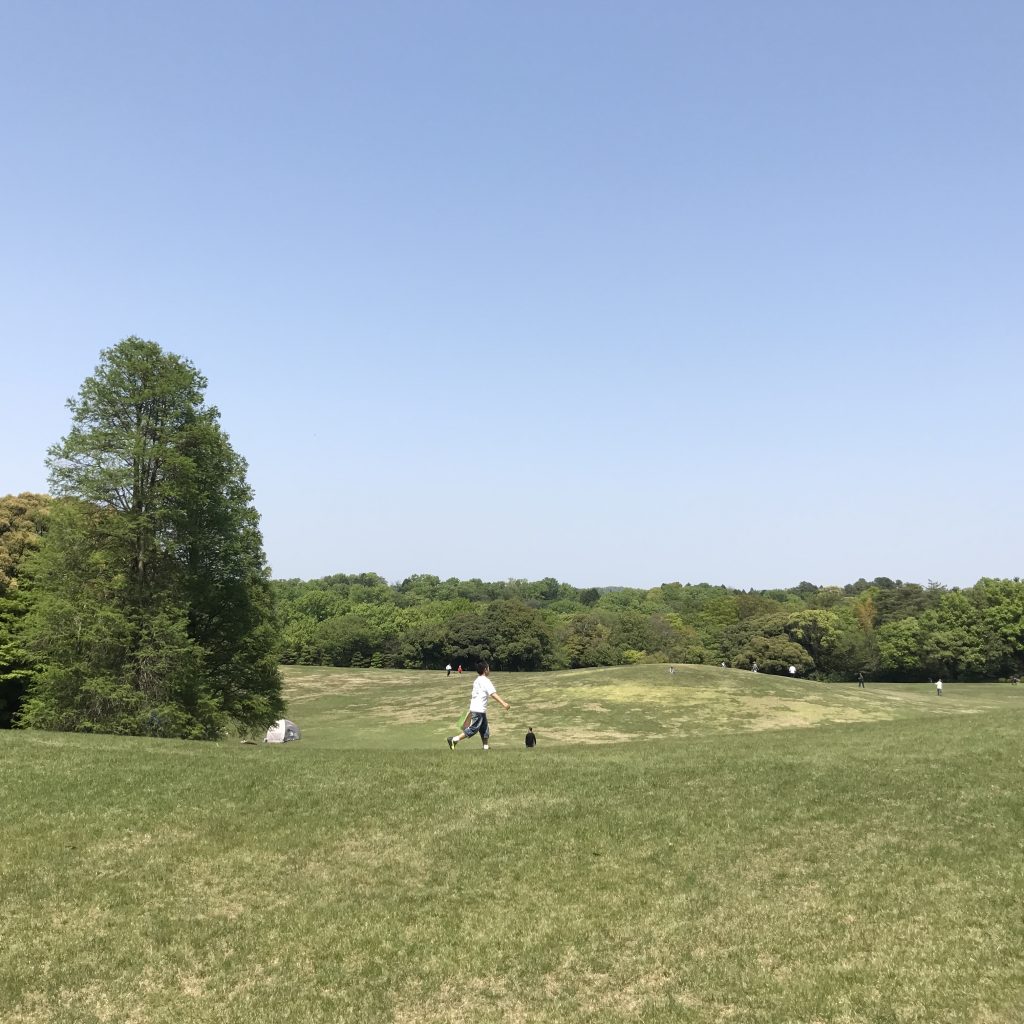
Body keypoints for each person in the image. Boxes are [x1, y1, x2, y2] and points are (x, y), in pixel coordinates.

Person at [447, 662, 510, 751]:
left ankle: (486, 747)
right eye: (488, 668)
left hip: (477, 709)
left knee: (484, 729)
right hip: (479, 709)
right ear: (485, 670)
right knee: (474, 729)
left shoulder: (477, 680)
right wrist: (504, 703)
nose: (489, 670)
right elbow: (492, 693)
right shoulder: (485, 680)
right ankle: (454, 739)